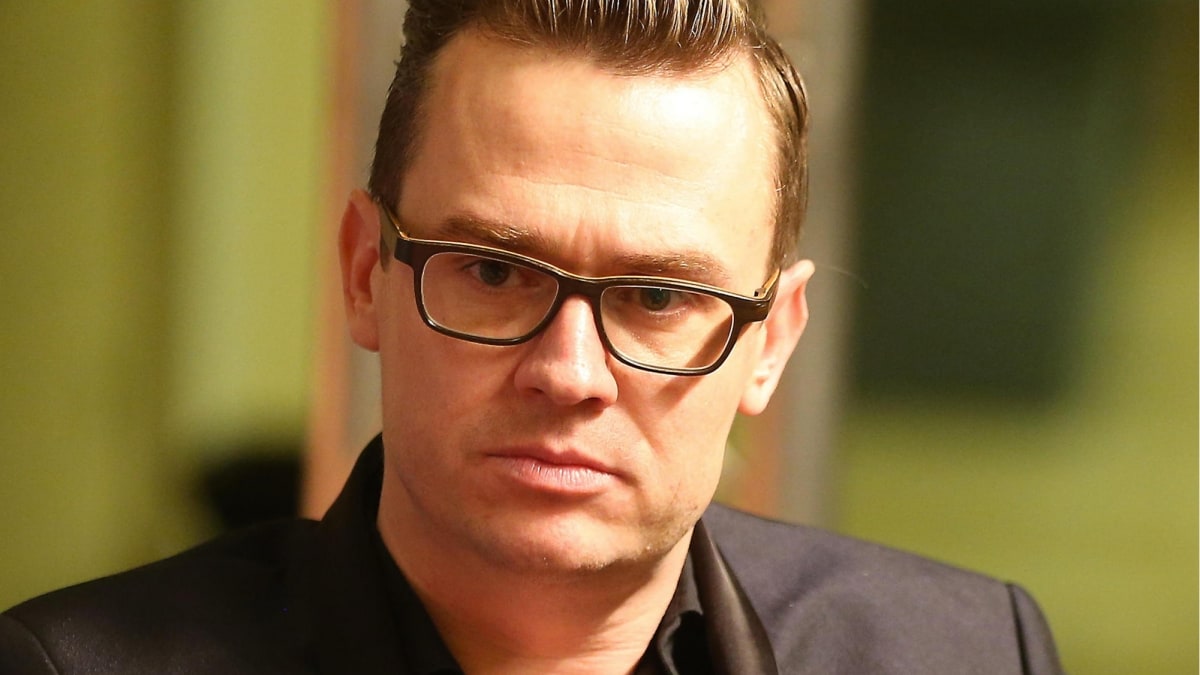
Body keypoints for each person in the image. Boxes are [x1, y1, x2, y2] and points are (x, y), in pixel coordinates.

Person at [0, 1, 1064, 673]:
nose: (570, 372)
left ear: (774, 340)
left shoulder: (964, 653)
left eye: (657, 297)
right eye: (496, 273)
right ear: (365, 275)